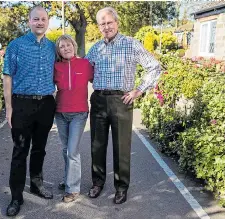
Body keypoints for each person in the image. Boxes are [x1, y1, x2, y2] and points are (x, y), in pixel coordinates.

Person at [85, 7, 162, 204]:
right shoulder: (95, 48)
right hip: (99, 100)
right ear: (99, 27)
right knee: (97, 145)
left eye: (109, 22)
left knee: (121, 147)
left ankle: (121, 187)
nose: (106, 26)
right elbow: (85, 71)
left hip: (122, 100)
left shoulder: (131, 44)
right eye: (102, 24)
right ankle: (97, 183)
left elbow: (154, 67)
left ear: (117, 23)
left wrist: (138, 90)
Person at [2, 6, 56, 217]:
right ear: (29, 21)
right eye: (36, 19)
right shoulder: (16, 46)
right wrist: (9, 108)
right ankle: (16, 197)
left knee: (39, 149)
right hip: (22, 104)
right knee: (20, 150)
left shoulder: (53, 47)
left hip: (45, 105)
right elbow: (7, 76)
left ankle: (36, 184)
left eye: (43, 19)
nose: (40, 22)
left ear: (47, 22)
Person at [54, 35, 93, 203]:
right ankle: (68, 178)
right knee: (65, 150)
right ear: (59, 51)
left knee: (72, 151)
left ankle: (73, 189)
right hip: (60, 113)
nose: (66, 48)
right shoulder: (55, 66)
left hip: (79, 113)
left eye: (68, 45)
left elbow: (98, 80)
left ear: (74, 46)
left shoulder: (85, 64)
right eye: (62, 46)